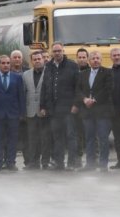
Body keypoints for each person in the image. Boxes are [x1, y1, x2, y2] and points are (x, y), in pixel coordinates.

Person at [40, 42, 80, 171]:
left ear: (63, 51)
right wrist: (43, 106)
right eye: (55, 51)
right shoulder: (48, 66)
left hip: (69, 109)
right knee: (57, 137)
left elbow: (78, 87)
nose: (57, 53)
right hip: (54, 110)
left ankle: (72, 163)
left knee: (71, 136)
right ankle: (59, 162)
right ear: (51, 52)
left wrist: (76, 104)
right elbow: (45, 87)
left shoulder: (72, 66)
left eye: (59, 51)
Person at [75, 51, 114, 171]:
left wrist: (94, 100)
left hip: (102, 111)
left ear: (101, 60)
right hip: (87, 111)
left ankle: (103, 165)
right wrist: (84, 99)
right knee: (89, 138)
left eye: (98, 58)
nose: (95, 60)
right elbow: (78, 89)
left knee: (103, 139)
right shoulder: (83, 74)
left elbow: (108, 89)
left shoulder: (108, 72)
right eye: (93, 58)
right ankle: (90, 164)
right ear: (89, 60)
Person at [0, 55, 25, 171]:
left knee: (12, 139)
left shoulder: (17, 78)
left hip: (13, 113)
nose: (6, 65)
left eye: (8, 63)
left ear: (10, 64)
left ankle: (11, 162)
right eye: (3, 63)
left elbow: (21, 96)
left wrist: (22, 113)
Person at [22, 51, 51, 170]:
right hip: (31, 111)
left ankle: (45, 162)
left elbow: (50, 93)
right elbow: (24, 92)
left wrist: (47, 108)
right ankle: (33, 162)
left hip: (44, 111)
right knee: (32, 138)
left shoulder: (49, 73)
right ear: (31, 61)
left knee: (45, 138)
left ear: (43, 60)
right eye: (35, 59)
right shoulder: (25, 75)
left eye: (39, 59)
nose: (37, 61)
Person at [74, 47, 90, 167]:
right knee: (77, 135)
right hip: (76, 108)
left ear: (87, 58)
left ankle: (93, 160)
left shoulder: (92, 71)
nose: (82, 59)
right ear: (76, 58)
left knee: (91, 135)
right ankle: (78, 159)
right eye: (79, 57)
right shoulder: (73, 72)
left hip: (89, 108)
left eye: (84, 57)